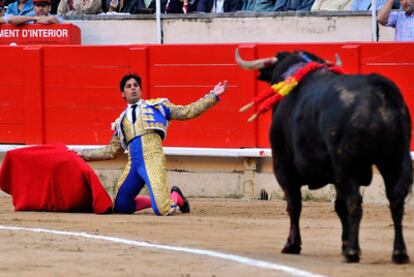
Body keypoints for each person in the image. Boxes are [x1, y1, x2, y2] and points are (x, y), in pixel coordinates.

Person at [78, 73, 228, 216]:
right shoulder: (121, 122)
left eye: (136, 85)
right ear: (123, 94)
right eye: (128, 86)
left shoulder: (157, 106)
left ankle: (176, 197)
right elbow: (111, 151)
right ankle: (160, 199)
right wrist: (81, 154)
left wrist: (212, 96)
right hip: (133, 166)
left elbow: (187, 112)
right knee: (121, 206)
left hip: (153, 160)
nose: (133, 88)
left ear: (141, 90)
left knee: (163, 210)